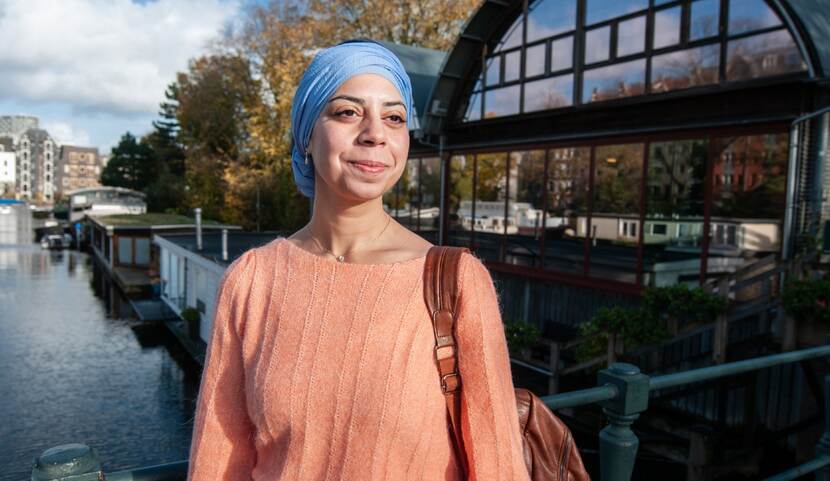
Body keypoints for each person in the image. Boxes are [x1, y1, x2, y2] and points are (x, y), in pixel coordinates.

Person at [188, 40, 531, 481]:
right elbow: (219, 458)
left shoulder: (455, 281)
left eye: (394, 117)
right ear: (306, 136)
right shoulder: (252, 280)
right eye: (348, 112)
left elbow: (498, 461)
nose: (375, 133)